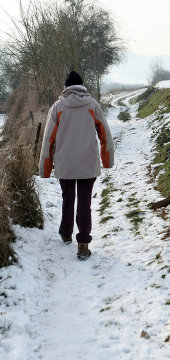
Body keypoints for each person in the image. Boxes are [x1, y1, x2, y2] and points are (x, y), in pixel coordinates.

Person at [39, 70, 114, 260]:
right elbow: (105, 134)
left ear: (66, 88)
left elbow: (48, 139)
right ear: (82, 86)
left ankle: (65, 233)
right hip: (88, 163)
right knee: (84, 202)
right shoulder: (92, 105)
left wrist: (45, 169)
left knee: (68, 198)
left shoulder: (57, 107)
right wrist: (107, 161)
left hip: (65, 164)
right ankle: (83, 244)